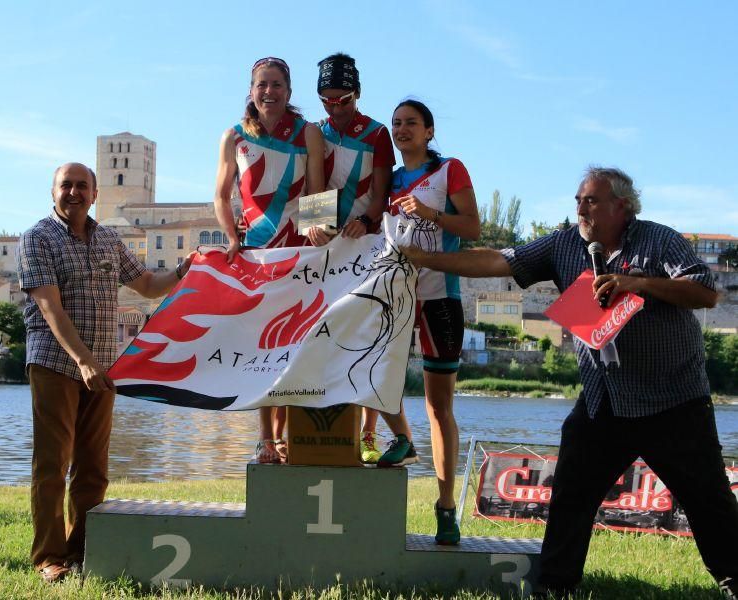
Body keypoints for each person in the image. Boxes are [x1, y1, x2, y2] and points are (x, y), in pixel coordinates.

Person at [399, 166, 738, 597]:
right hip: (603, 401)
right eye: (578, 199)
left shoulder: (660, 239)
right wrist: (427, 260)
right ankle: (555, 586)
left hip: (672, 399)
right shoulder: (563, 243)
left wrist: (637, 283)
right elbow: (501, 260)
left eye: (591, 200)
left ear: (622, 206)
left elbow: (705, 291)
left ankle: (734, 577)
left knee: (708, 500)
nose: (580, 208)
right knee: (570, 497)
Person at [17, 162, 193, 583]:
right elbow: (48, 307)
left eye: (82, 186)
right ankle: (48, 557)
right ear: (53, 192)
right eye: (66, 185)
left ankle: (80, 550)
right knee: (52, 464)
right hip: (56, 363)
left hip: (103, 368)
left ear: (95, 195)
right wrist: (83, 360)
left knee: (94, 468)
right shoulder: (36, 238)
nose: (74, 192)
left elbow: (149, 284)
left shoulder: (109, 240)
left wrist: (186, 270)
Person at [212, 57, 325, 464]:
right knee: (264, 347)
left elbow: (316, 190)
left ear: (289, 92)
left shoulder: (308, 133)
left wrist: (317, 233)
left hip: (298, 252)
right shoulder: (234, 136)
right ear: (251, 90)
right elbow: (221, 196)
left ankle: (290, 437)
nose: (269, 92)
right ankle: (265, 438)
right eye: (262, 85)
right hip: (257, 253)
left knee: (295, 344)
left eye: (277, 85)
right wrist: (230, 236)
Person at [312, 52, 416, 465]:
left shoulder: (375, 133)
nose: (335, 109)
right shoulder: (316, 131)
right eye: (327, 101)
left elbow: (381, 189)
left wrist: (367, 219)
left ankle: (370, 436)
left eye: (343, 101)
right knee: (328, 340)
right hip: (328, 248)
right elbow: (315, 184)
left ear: (357, 94)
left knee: (369, 342)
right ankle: (314, 437)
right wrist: (314, 226)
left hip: (368, 246)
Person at [387, 99, 480, 545]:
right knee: (370, 379)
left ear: (429, 131)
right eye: (396, 124)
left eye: (411, 124)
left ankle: (445, 506)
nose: (402, 130)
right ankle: (401, 440)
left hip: (441, 298)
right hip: (394, 296)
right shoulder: (387, 179)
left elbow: (474, 227)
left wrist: (429, 214)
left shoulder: (449, 170)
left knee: (439, 408)